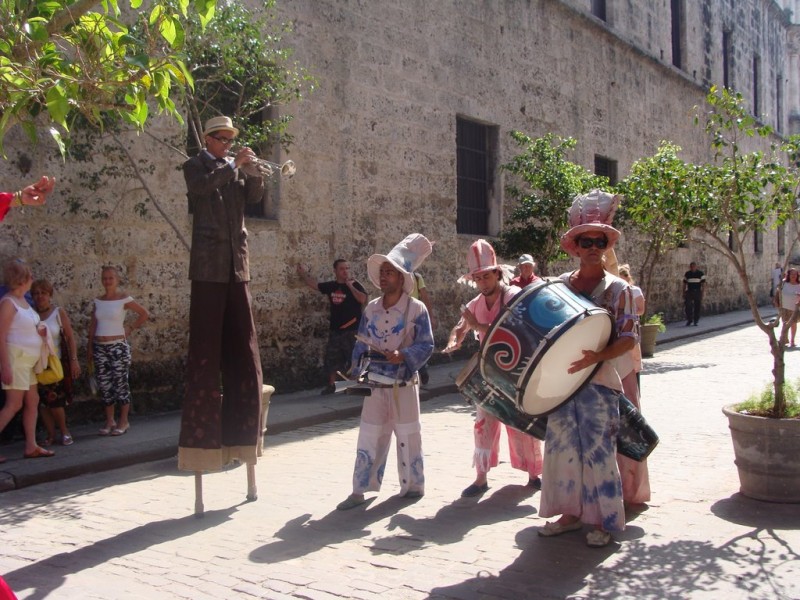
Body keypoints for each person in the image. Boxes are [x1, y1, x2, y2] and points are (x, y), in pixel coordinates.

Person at [537, 190, 635, 548]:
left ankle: (605, 521)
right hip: (563, 387)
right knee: (562, 450)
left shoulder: (619, 289)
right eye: (585, 240)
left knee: (599, 453)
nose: (593, 246)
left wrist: (597, 357)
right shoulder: (560, 287)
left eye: (599, 240)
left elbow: (630, 338)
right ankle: (569, 514)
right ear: (575, 246)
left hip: (600, 385)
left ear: (606, 245)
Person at [178, 115, 265, 472]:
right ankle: (202, 442)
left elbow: (255, 198)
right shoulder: (194, 165)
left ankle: (242, 439)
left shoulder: (236, 168)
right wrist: (234, 165)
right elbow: (202, 188)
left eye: (231, 140)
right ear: (209, 139)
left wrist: (255, 172)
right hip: (208, 267)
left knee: (244, 349)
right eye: (223, 139)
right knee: (205, 351)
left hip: (236, 265)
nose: (228, 144)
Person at [336, 234, 434, 510]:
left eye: (390, 272)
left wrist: (403, 354)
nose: (384, 277)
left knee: (408, 434)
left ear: (402, 278)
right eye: (382, 272)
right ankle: (359, 490)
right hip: (376, 383)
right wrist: (354, 372)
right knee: (369, 434)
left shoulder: (417, 309)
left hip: (404, 383)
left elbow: (427, 344)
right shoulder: (370, 309)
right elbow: (361, 342)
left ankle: (413, 485)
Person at [445, 239, 543, 497]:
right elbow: (461, 326)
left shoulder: (512, 296)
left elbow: (512, 331)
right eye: (478, 279)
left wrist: (477, 327)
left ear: (498, 274)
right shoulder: (477, 302)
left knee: (521, 422)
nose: (482, 283)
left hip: (515, 371)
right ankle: (480, 478)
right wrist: (454, 340)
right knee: (483, 423)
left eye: (486, 277)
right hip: (488, 373)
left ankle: (534, 474)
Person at [0, 259, 53, 461]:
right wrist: (5, 366)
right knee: (13, 405)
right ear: (22, 279)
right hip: (16, 360)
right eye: (30, 276)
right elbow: (1, 335)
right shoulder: (8, 303)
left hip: (27, 362)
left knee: (33, 400)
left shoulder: (22, 301)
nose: (32, 279)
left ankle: (31, 446)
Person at [87, 266, 149, 436]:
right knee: (105, 385)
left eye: (110, 278)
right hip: (100, 347)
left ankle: (124, 421)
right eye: (104, 278)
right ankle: (109, 421)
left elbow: (144, 313)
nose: (107, 281)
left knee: (120, 384)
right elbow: (93, 325)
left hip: (117, 347)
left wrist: (130, 328)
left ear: (117, 280)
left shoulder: (124, 299)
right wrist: (90, 348)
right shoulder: (98, 301)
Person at [297, 259, 367, 394]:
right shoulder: (331, 286)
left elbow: (362, 299)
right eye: (342, 269)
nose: (345, 271)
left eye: (347, 268)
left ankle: (354, 385)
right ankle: (333, 386)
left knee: (353, 358)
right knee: (332, 358)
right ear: (335, 271)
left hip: (352, 329)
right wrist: (303, 274)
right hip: (336, 329)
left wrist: (350, 286)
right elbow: (315, 285)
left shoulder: (355, 284)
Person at [615, 264, 650, 505]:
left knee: (628, 412)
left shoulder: (626, 291)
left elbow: (637, 314)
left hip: (623, 354)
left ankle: (631, 488)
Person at [31, 279, 80, 446]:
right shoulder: (30, 314)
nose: (40, 296)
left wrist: (74, 360)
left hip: (56, 364)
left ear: (49, 295)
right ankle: (51, 435)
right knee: (43, 404)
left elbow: (70, 337)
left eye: (43, 293)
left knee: (55, 401)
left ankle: (64, 431)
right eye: (36, 293)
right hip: (37, 364)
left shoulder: (58, 313)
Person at [410, 270, 436, 385]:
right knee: (415, 345)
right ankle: (421, 369)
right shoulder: (416, 277)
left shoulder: (416, 277)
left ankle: (421, 369)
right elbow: (425, 298)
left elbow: (425, 298)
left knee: (414, 345)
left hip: (414, 318)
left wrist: (430, 317)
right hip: (412, 318)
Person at [775, 268, 800, 347]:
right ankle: (784, 340)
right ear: (788, 275)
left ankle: (792, 340)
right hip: (784, 307)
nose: (793, 276)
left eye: (795, 274)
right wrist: (776, 302)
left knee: (793, 324)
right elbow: (778, 293)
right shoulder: (784, 283)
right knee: (785, 324)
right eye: (792, 274)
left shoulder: (799, 285)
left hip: (795, 308)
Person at [683, 261, 706, 326]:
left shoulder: (700, 274)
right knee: (688, 306)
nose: (692, 268)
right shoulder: (687, 274)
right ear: (690, 267)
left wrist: (702, 293)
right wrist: (683, 292)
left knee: (697, 306)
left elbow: (703, 284)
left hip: (697, 291)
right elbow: (684, 284)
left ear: (696, 267)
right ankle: (689, 320)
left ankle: (696, 320)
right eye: (691, 267)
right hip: (689, 291)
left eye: (693, 266)